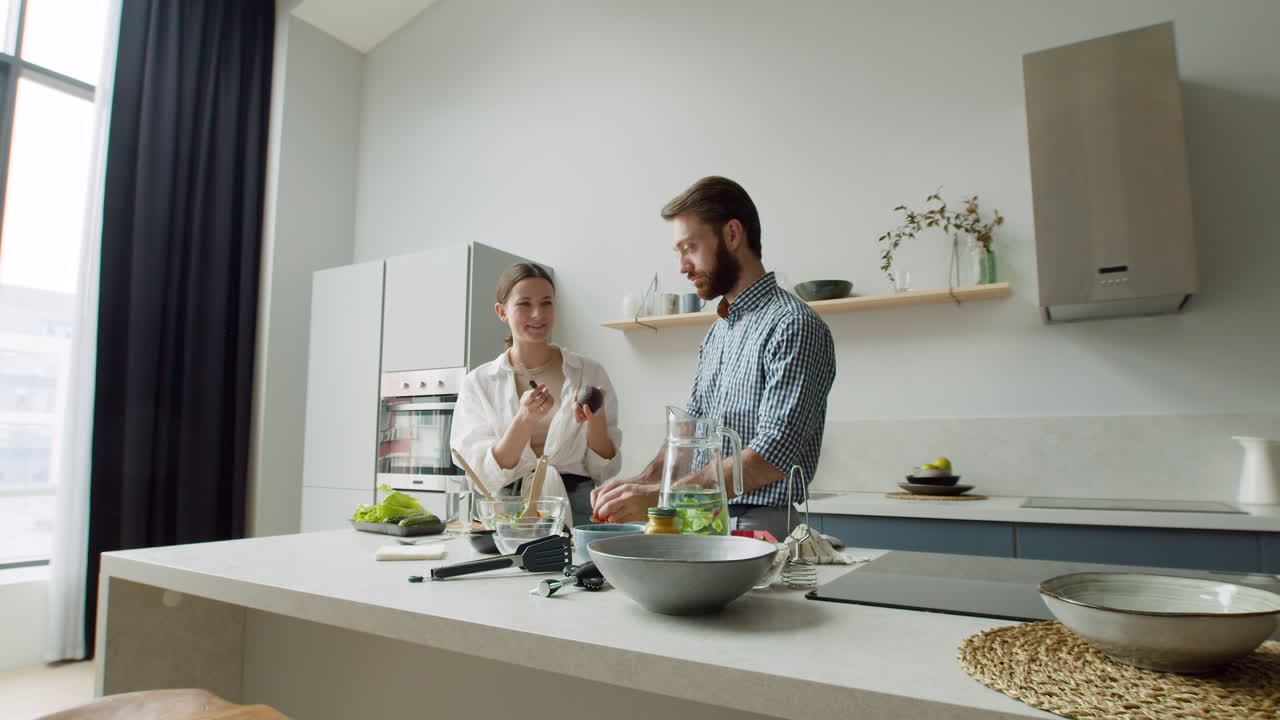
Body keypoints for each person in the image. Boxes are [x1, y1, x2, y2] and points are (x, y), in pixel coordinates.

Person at [591, 176, 836, 540]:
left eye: (689, 247)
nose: (682, 266)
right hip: (706, 521)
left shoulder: (793, 325)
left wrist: (664, 497)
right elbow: (690, 432)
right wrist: (639, 483)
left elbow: (774, 453)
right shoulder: (718, 332)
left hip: (758, 525)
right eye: (678, 251)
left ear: (733, 235)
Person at [450, 263, 622, 528]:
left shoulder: (589, 372)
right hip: (508, 512)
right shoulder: (479, 383)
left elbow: (603, 470)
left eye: (546, 303)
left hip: (577, 510)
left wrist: (594, 422)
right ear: (502, 311)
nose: (538, 314)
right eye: (524, 304)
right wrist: (524, 420)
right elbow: (482, 474)